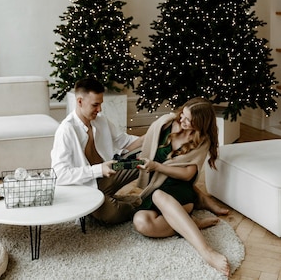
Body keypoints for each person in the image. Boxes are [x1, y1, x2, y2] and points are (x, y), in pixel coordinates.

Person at [132, 98, 230, 278]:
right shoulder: (167, 123)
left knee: (159, 196)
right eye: (183, 114)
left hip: (179, 188)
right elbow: (148, 138)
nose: (182, 120)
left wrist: (157, 167)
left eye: (188, 120)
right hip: (157, 184)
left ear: (199, 124)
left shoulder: (202, 140)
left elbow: (187, 174)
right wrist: (124, 150)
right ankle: (190, 222)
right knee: (141, 221)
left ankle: (206, 250)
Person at [51, 77, 143, 224]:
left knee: (146, 163)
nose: (99, 109)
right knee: (111, 216)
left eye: (100, 104)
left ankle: (160, 200)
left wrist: (153, 133)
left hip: (109, 173)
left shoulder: (100, 120)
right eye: (95, 105)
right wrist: (98, 169)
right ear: (80, 101)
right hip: (85, 188)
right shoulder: (66, 130)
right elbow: (59, 175)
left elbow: (125, 142)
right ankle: (141, 207)